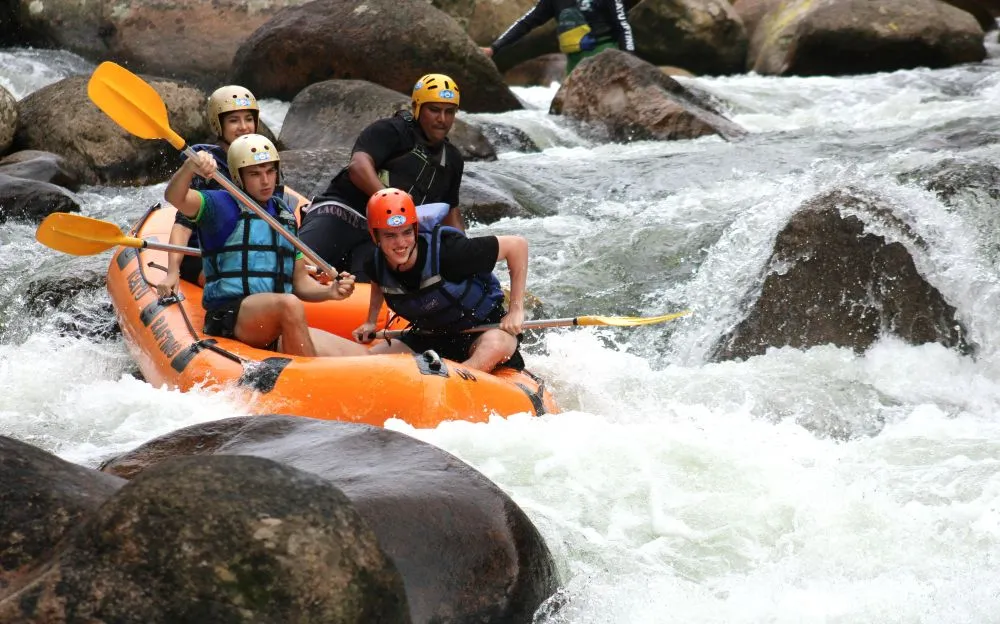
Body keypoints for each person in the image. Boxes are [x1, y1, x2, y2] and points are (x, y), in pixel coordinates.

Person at [163, 133, 369, 358]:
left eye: (270, 171)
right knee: (288, 304)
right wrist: (188, 168)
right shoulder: (220, 204)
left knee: (362, 355)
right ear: (238, 176)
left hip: (274, 322)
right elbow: (175, 197)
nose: (265, 181)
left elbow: (299, 282)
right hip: (231, 316)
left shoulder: (284, 215)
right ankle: (310, 379)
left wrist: (330, 291)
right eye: (255, 174)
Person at [298, 73, 466, 282]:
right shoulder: (391, 130)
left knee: (370, 284)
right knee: (299, 267)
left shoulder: (452, 160)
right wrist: (390, 200)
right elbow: (358, 166)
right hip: (342, 213)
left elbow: (451, 213)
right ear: (418, 107)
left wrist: (464, 252)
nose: (442, 119)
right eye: (434, 110)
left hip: (381, 236)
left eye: (449, 112)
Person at [353, 188, 527, 373]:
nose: (401, 243)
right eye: (390, 235)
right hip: (428, 337)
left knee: (494, 344)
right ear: (375, 235)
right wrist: (371, 321)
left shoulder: (450, 252)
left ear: (415, 229)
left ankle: (457, 378)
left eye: (406, 232)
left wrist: (516, 309)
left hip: (481, 331)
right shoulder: (374, 262)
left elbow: (517, 246)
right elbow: (378, 281)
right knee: (370, 362)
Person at [156, 85, 260, 298]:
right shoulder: (205, 164)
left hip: (247, 253)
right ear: (217, 124)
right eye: (233, 120)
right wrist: (172, 271)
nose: (244, 127)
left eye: (248, 119)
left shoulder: (263, 159)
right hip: (203, 255)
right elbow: (183, 223)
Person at [480, 0, 635, 74]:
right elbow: (526, 23)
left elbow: (623, 26)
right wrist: (494, 48)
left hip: (605, 57)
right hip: (574, 63)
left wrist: (629, 62)